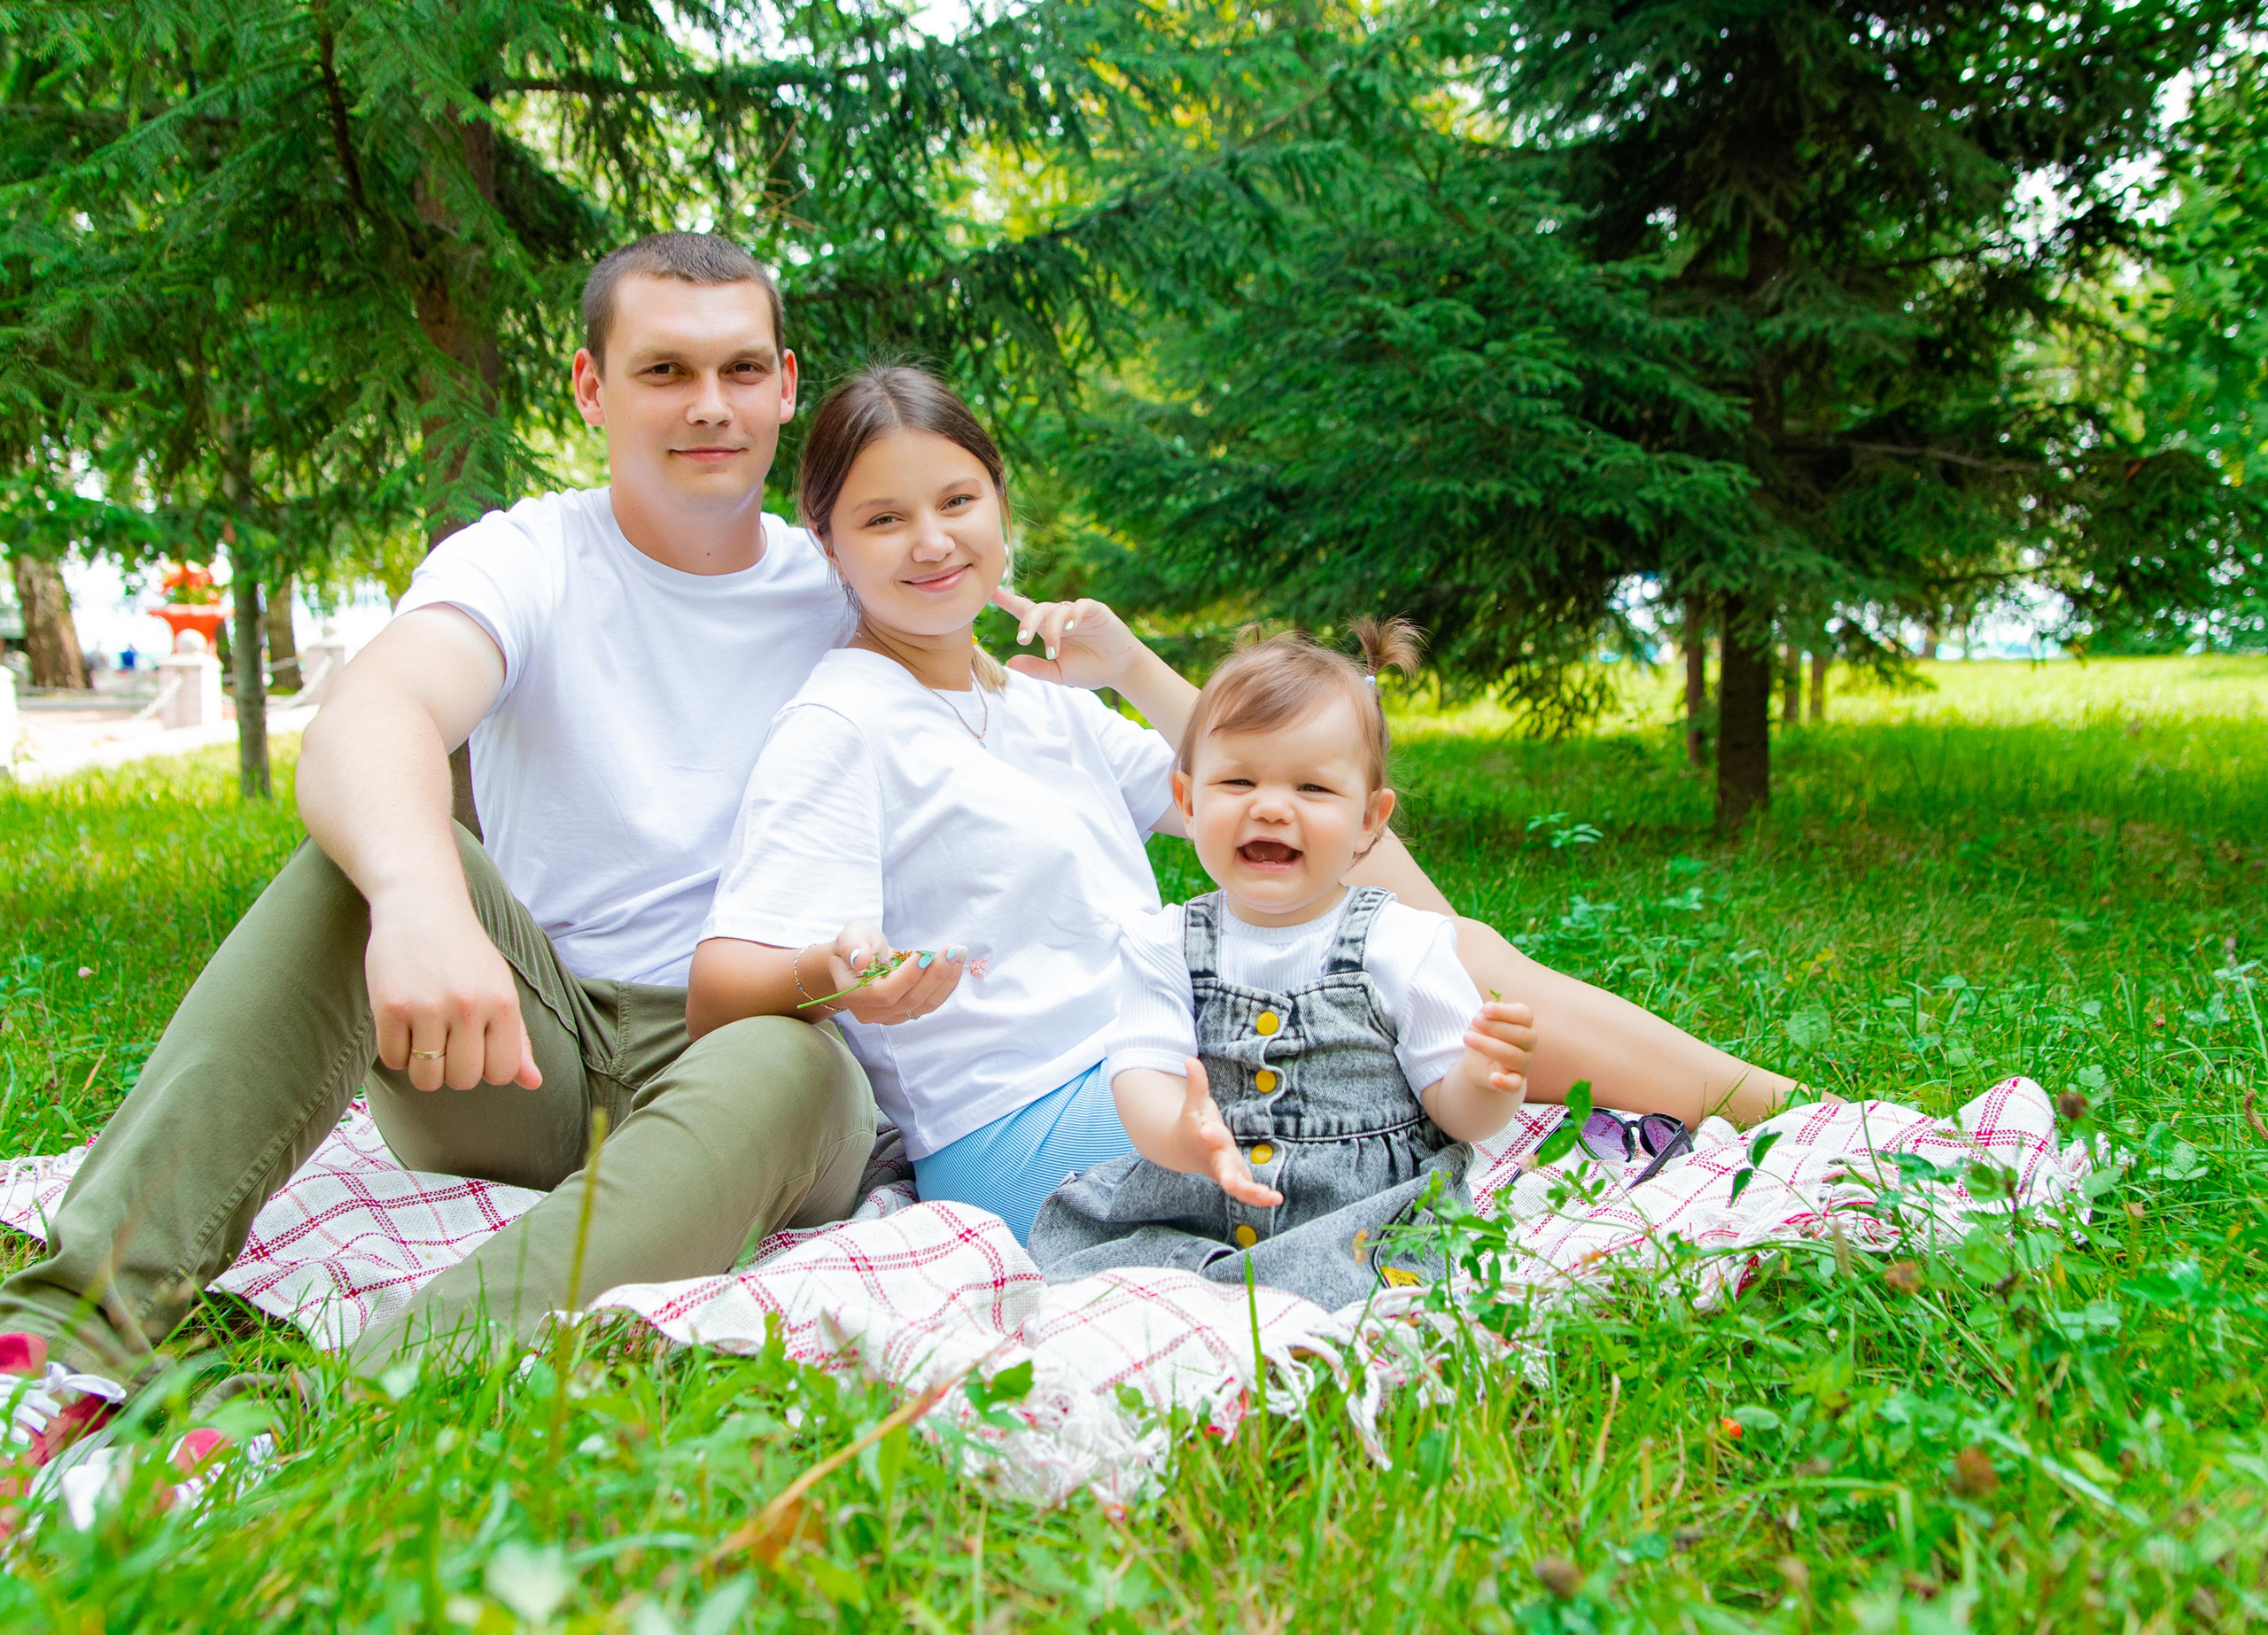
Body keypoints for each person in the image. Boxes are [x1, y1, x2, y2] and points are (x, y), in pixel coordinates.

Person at [0, 234, 920, 1484]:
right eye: (664, 369)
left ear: (785, 382)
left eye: (741, 368)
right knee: (368, 854)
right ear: (592, 389)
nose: (710, 405)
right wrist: (420, 898)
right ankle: (61, 1342)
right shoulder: (530, 554)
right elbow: (371, 718)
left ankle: (334, 1416)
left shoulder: (850, 584)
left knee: (791, 1059)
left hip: (752, 1043)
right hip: (516, 1047)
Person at [688, 365, 1797, 1250]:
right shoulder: (842, 720)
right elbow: (711, 996)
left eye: (957, 500)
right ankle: (1781, 1122)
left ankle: (1775, 1112)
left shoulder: (1038, 708)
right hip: (1035, 1127)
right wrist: (829, 975)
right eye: (883, 519)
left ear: (1000, 509)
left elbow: (1346, 851)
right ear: (826, 541)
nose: (932, 542)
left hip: (1167, 1054)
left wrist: (1126, 666)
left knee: (1446, 955)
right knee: (1417, 1022)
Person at [1028, 620, 1532, 1306]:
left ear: (1368, 821)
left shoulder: (1402, 943)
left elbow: (1459, 1113)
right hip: (1198, 1205)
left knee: (1373, 1287)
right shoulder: (1165, 943)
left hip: (1361, 1217)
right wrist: (1179, 1132)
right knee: (1109, 1276)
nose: (1270, 807)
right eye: (1237, 780)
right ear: (1188, 801)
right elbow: (1142, 1069)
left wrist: (1487, 1082)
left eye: (1313, 790)